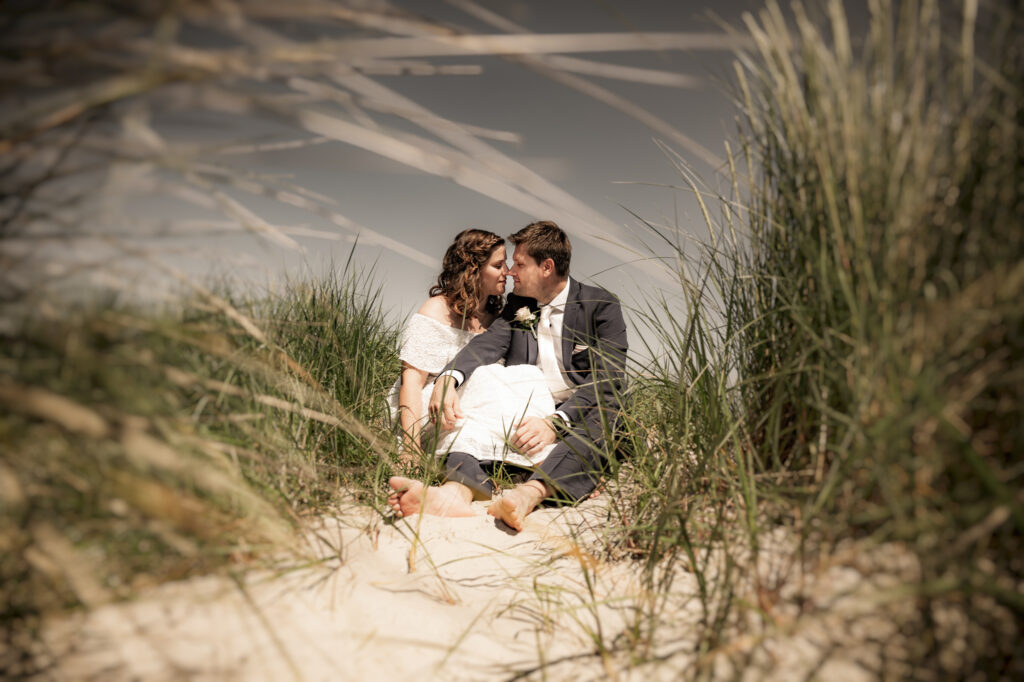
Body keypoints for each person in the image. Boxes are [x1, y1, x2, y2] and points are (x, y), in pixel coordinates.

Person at [389, 220, 628, 530]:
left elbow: (608, 381)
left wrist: (556, 423)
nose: (512, 272)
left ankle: (530, 493)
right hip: (525, 410)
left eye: (519, 264)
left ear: (547, 267)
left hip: (578, 411)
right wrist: (449, 378)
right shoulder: (518, 306)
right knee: (473, 421)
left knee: (608, 415)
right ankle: (455, 492)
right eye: (506, 264)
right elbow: (485, 346)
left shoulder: (600, 306)